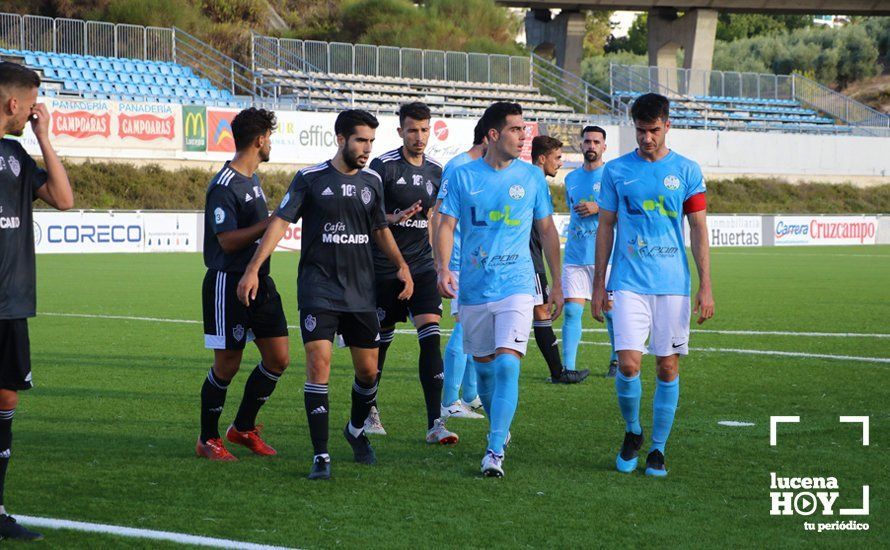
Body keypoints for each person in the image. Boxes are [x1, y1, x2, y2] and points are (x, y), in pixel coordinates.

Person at [237, 109, 414, 480]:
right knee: (319, 366)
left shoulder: (372, 183)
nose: (367, 148)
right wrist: (253, 267)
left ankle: (354, 430)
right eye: (360, 140)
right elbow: (280, 223)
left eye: (371, 141)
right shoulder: (310, 179)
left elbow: (380, 229)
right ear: (340, 139)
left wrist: (401, 265)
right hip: (319, 288)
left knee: (369, 372)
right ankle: (321, 456)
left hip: (361, 291)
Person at [436, 102, 564, 477]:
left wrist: (556, 283)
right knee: (487, 372)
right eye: (515, 130)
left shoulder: (532, 177)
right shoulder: (463, 176)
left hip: (517, 285)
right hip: (474, 288)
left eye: (524, 129)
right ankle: (499, 429)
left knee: (508, 364)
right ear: (493, 135)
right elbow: (445, 225)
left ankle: (494, 451)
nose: (524, 136)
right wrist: (443, 267)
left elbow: (547, 231)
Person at [592, 93, 714, 477]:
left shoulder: (688, 170)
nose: (647, 138)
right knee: (628, 365)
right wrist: (599, 284)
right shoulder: (615, 171)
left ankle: (658, 449)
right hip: (628, 282)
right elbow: (606, 226)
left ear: (667, 125)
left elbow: (698, 228)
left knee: (666, 369)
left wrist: (705, 285)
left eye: (654, 130)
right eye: (641, 131)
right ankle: (633, 432)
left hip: (673, 285)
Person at [0, 61, 74, 541]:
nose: (33, 113)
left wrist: (44, 138)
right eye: (30, 106)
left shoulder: (16, 156)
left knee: (5, 400)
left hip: (10, 305)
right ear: (12, 103)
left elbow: (64, 199)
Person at [196, 108, 289, 462]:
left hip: (260, 281)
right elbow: (227, 241)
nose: (270, 143)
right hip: (227, 283)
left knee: (278, 359)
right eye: (269, 137)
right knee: (227, 366)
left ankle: (243, 428)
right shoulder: (224, 185)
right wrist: (271, 222)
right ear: (260, 139)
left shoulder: (252, 178)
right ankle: (207, 439)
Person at [365, 102, 457, 444]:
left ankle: (436, 423)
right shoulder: (383, 167)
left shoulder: (437, 170)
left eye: (424, 129)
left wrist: (439, 265)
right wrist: (392, 218)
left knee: (431, 337)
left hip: (420, 267)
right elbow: (368, 215)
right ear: (400, 131)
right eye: (412, 130)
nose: (419, 136)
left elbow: (434, 220)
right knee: (379, 345)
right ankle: (370, 408)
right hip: (384, 268)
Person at [432, 121, 487, 419]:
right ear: (490, 137)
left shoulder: (484, 169)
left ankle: (470, 394)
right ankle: (450, 401)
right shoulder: (459, 167)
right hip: (459, 262)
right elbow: (439, 215)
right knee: (464, 325)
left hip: (477, 260)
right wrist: (440, 263)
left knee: (477, 327)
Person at [530, 135, 589, 384]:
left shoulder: (530, 179)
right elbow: (544, 228)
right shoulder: (535, 181)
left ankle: (559, 371)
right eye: (557, 158)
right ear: (542, 158)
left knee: (539, 312)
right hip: (528, 260)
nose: (559, 163)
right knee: (541, 311)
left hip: (529, 258)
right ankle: (559, 372)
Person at [559, 126, 616, 379]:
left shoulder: (613, 175)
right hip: (575, 254)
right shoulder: (570, 179)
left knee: (610, 309)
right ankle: (568, 368)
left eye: (596, 142)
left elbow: (624, 214)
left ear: (604, 147)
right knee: (572, 310)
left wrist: (599, 207)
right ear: (581, 146)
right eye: (587, 142)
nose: (591, 146)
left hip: (606, 255)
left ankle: (616, 361)